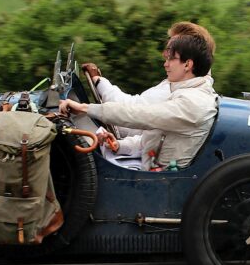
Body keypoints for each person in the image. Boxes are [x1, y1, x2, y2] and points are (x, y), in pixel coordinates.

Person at [59, 32, 217, 170]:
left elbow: (139, 114)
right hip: (155, 167)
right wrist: (120, 145)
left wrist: (85, 108)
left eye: (172, 58)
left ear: (188, 64)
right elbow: (155, 137)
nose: (165, 63)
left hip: (163, 179)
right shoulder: (185, 91)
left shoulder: (193, 102)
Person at [81, 21, 216, 107]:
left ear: (188, 62)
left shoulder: (178, 92)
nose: (165, 56)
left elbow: (131, 110)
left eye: (172, 50)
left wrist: (98, 81)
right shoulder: (182, 83)